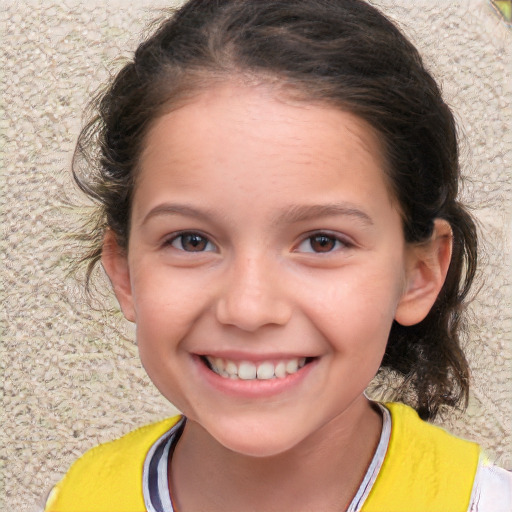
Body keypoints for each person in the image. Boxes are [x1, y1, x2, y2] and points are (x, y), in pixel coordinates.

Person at [43, 0, 511, 510]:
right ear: (125, 270)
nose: (248, 308)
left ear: (419, 273)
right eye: (191, 241)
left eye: (322, 242)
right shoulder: (80, 497)